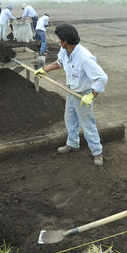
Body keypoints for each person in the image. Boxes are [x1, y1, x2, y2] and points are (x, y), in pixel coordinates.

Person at [34, 24, 108, 166]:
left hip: (83, 95)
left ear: (65, 41)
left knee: (88, 125)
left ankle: (97, 152)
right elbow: (59, 62)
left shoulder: (85, 57)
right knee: (69, 119)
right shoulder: (65, 51)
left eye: (59, 39)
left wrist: (92, 95)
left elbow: (101, 78)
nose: (58, 41)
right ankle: (73, 144)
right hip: (71, 92)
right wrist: (44, 70)